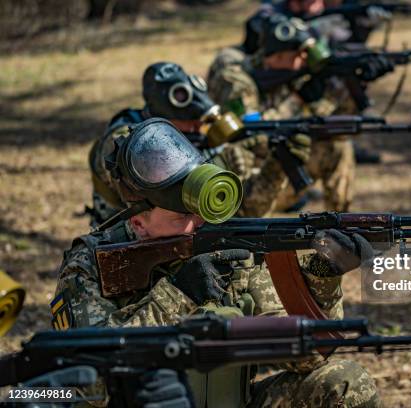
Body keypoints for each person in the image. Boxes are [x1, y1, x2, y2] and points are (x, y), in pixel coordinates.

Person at [54, 118, 380, 407]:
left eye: (202, 211)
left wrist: (323, 275)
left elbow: (308, 358)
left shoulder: (224, 249)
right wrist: (178, 295)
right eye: (183, 215)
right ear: (138, 223)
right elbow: (87, 383)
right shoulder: (90, 264)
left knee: (344, 382)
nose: (200, 223)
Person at [87, 61, 311, 227]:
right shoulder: (122, 141)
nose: (198, 131)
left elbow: (246, 209)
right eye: (190, 126)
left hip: (186, 229)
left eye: (200, 125)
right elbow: (160, 189)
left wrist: (271, 162)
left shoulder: (196, 138)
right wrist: (219, 162)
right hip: (128, 236)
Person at [207, 14, 387, 211]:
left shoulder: (296, 76)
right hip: (244, 184)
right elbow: (251, 132)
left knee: (339, 147)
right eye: (299, 54)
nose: (305, 60)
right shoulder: (236, 79)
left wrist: (352, 87)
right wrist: (298, 100)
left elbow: (337, 125)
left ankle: (341, 224)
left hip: (281, 175)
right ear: (277, 56)